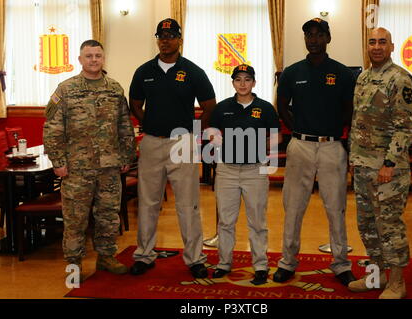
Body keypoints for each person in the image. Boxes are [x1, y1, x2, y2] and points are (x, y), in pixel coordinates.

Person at [128, 18, 216, 278]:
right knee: (148, 202)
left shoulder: (193, 71)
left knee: (188, 204)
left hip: (183, 142)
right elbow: (134, 104)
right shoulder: (144, 71)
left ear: (179, 39)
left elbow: (210, 106)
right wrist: (151, 124)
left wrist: (193, 134)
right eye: (161, 35)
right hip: (152, 143)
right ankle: (144, 254)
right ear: (157, 39)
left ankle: (195, 258)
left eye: (170, 35)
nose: (165, 40)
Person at [43, 40, 136, 280]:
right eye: (89, 56)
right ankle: (73, 265)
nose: (93, 60)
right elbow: (52, 128)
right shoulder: (66, 89)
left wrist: (126, 155)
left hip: (109, 167)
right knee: (75, 219)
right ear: (80, 59)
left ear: (103, 58)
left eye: (97, 55)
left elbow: (124, 125)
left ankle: (106, 257)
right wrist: (58, 161)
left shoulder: (115, 89)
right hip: (76, 169)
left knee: (108, 215)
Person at [273, 18, 356, 286]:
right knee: (294, 206)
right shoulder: (292, 72)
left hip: (332, 146)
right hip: (300, 146)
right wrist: (298, 128)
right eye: (309, 34)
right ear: (305, 39)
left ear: (328, 38)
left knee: (336, 207)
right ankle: (287, 261)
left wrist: (332, 129)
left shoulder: (342, 73)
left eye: (319, 34)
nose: (313, 39)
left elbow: (349, 111)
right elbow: (282, 106)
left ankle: (341, 263)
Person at [348, 27, 412, 299]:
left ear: (391, 46)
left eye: (382, 42)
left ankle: (397, 283)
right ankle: (376, 278)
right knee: (367, 226)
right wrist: (355, 160)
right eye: (372, 42)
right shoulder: (364, 78)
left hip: (388, 169)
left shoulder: (399, 78)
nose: (376, 46)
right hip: (364, 166)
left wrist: (389, 163)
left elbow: (406, 127)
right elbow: (359, 122)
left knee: (388, 226)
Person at [207, 64, 281, 285]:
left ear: (254, 83)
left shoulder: (265, 108)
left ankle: (260, 265)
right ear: (233, 83)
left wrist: (262, 147)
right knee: (226, 221)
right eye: (238, 79)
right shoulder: (222, 108)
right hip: (227, 170)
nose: (242, 83)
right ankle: (224, 263)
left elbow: (277, 137)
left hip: (254, 170)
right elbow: (212, 132)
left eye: (247, 79)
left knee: (257, 221)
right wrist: (217, 141)